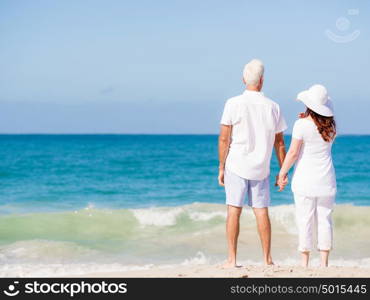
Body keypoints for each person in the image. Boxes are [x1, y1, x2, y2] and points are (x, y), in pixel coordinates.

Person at [218, 59, 287, 268]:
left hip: (236, 165)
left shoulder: (232, 103)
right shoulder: (273, 106)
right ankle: (267, 259)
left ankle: (232, 259)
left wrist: (221, 166)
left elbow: (224, 139)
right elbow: (280, 143)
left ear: (243, 79)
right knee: (261, 211)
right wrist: (282, 171)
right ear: (262, 80)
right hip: (261, 168)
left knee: (233, 210)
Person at [277, 84, 336, 268]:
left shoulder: (301, 125)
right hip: (326, 179)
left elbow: (293, 152)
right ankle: (324, 263)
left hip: (305, 180)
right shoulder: (333, 126)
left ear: (308, 104)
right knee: (325, 220)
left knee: (305, 220)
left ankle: (305, 263)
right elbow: (323, 118)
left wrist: (282, 173)